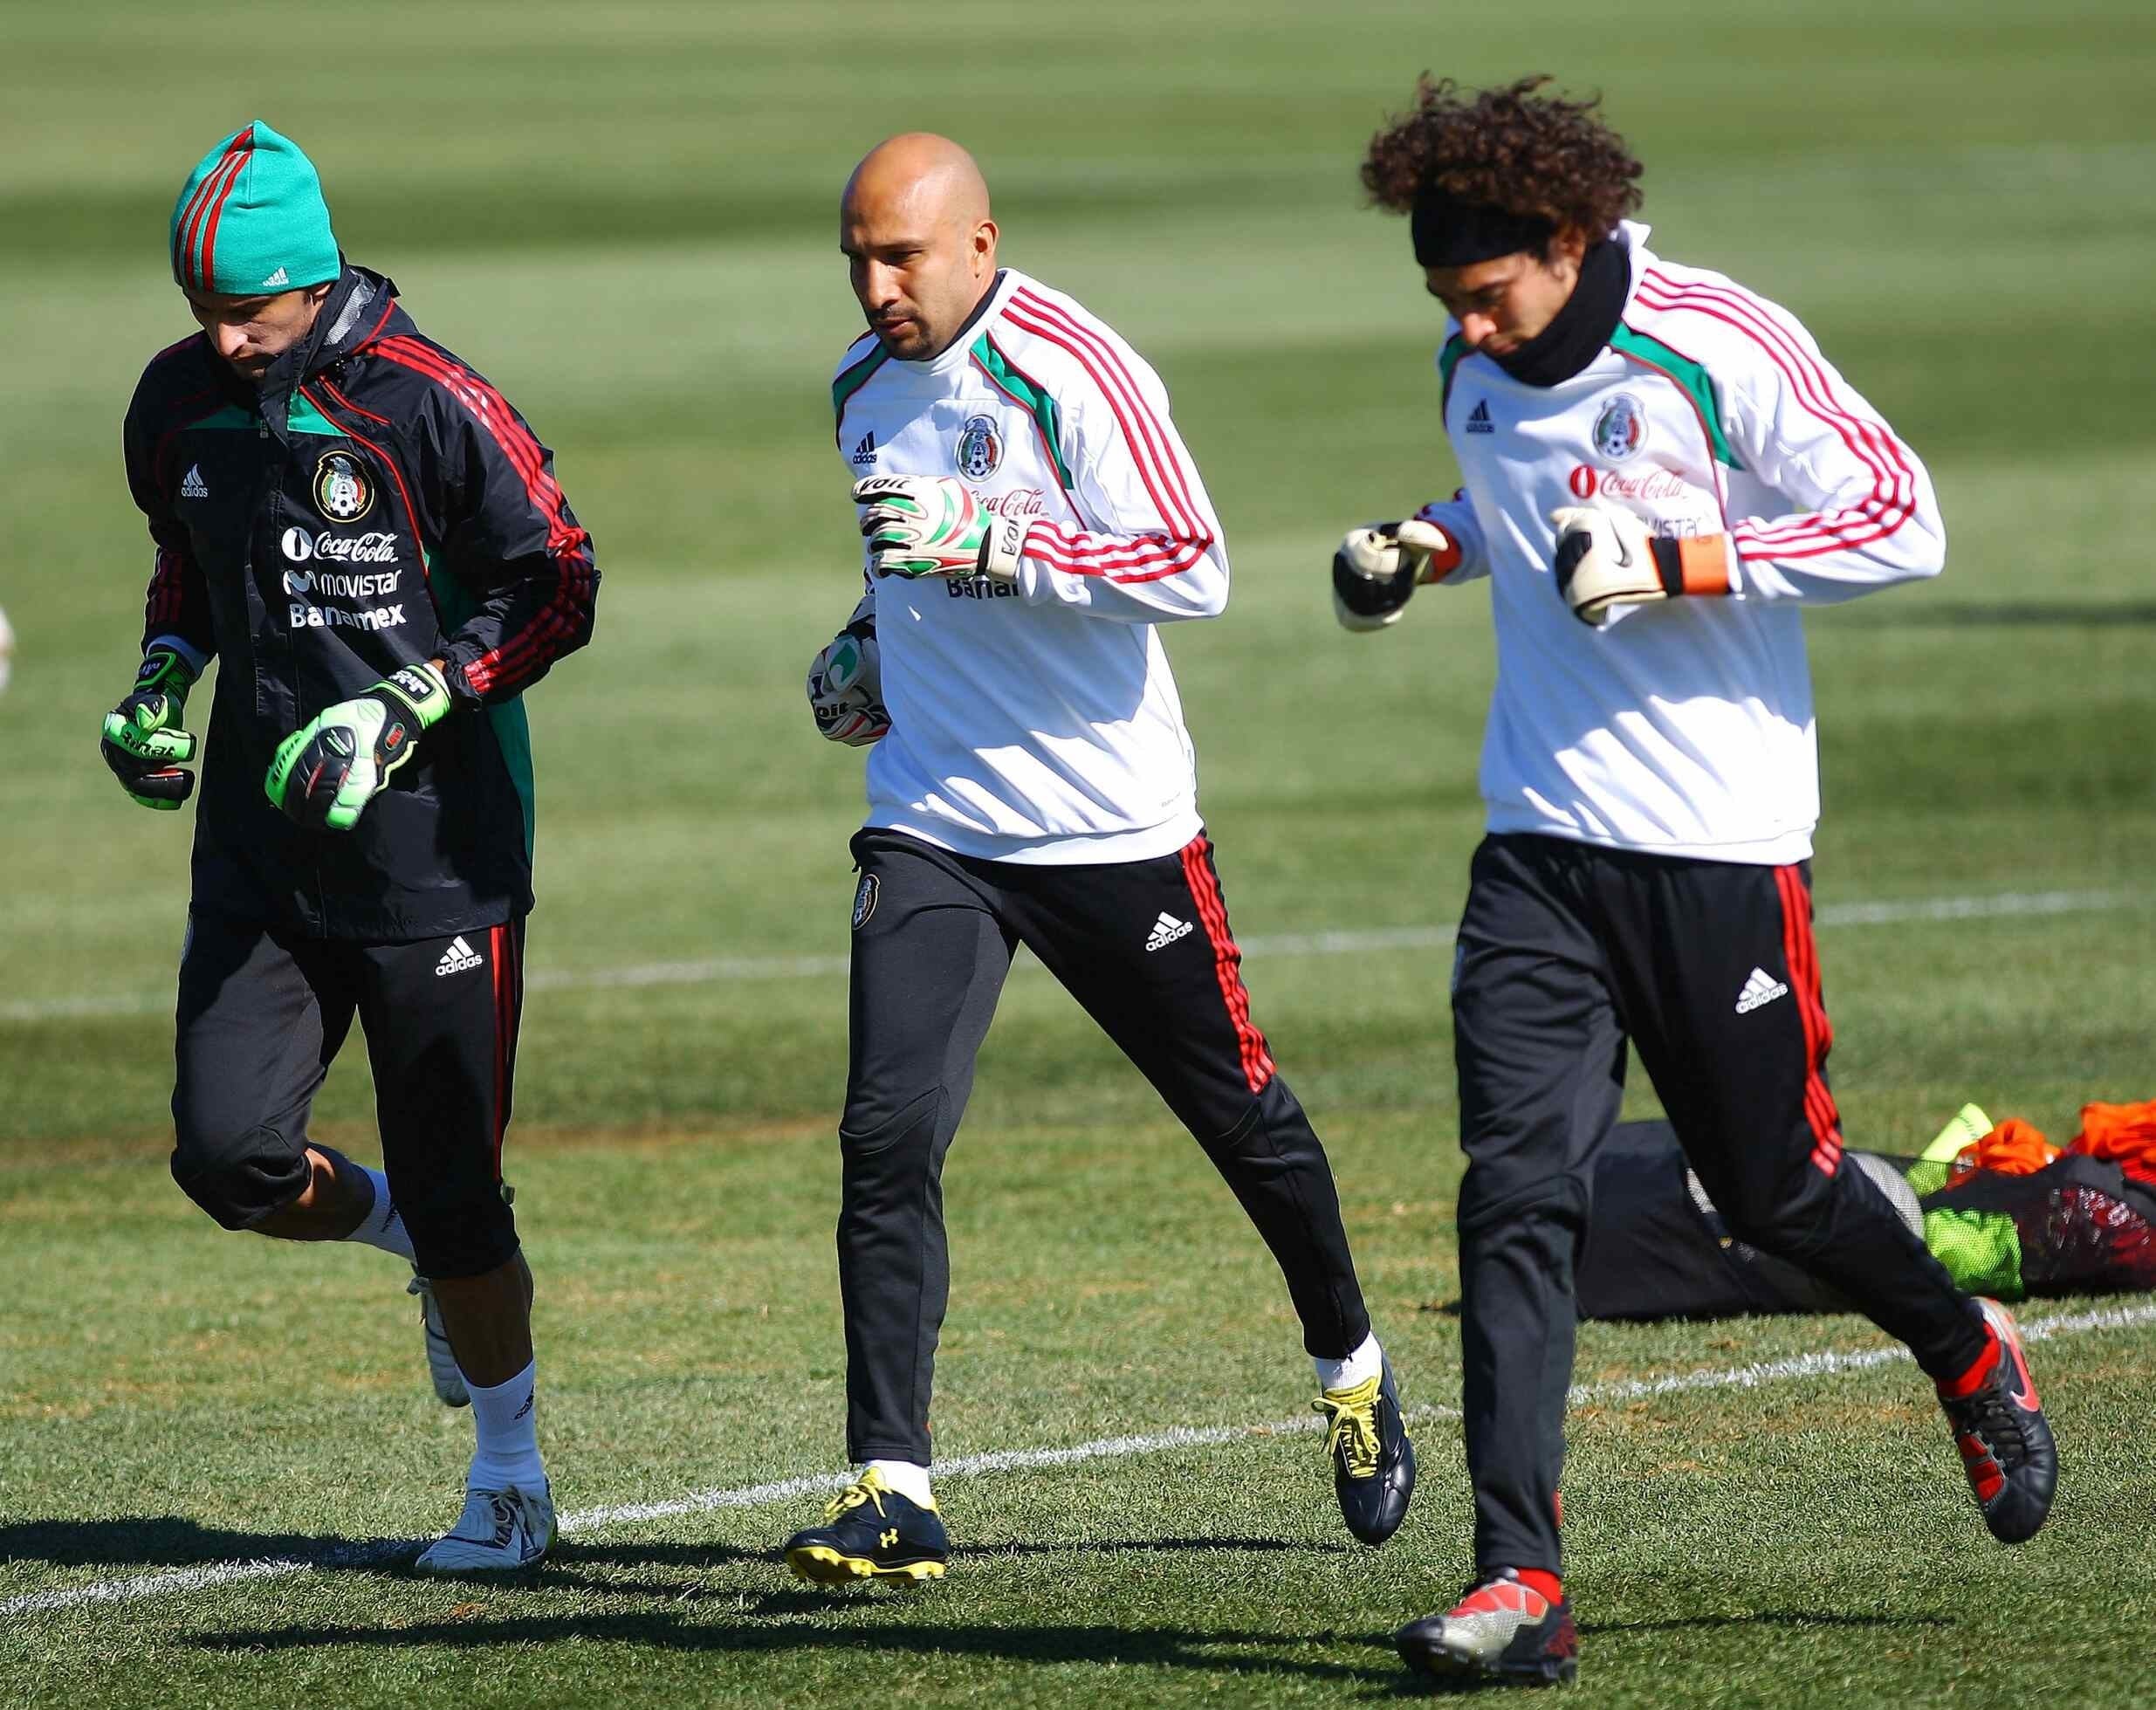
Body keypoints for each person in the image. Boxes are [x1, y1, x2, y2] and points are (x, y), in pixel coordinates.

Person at [1328, 78, 2057, 1686]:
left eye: (1489, 293)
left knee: (1774, 1192)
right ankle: (1519, 1576)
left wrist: (1680, 564)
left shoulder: (1715, 339)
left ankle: (1960, 1344)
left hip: (1719, 846)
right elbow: (1523, 512)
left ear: (1568, 239)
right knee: (1518, 1193)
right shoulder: (1474, 363)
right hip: (1536, 847)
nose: (1470, 329)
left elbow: (1901, 517)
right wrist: (1423, 550)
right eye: (1446, 303)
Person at [784, 133, 1414, 1584]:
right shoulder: (857, 392)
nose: (877, 286)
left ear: (980, 244)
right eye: (858, 261)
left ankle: (1354, 1369)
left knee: (1242, 1121)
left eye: (903, 258)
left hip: (1109, 830)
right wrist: (865, 645)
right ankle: (893, 1488)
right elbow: (905, 564)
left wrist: (991, 540)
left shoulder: (1069, 368)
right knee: (884, 1137)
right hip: (933, 816)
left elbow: (1189, 565)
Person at [102, 120, 598, 1572]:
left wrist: (410, 701)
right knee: (227, 1156)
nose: (224, 340)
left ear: (310, 282)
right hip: (262, 854)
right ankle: (415, 1255)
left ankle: (510, 1474)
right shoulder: (179, 402)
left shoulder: (429, 402)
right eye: (202, 312)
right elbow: (186, 560)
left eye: (246, 311)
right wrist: (157, 683)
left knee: (465, 1193)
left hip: (436, 857)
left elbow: (559, 579)